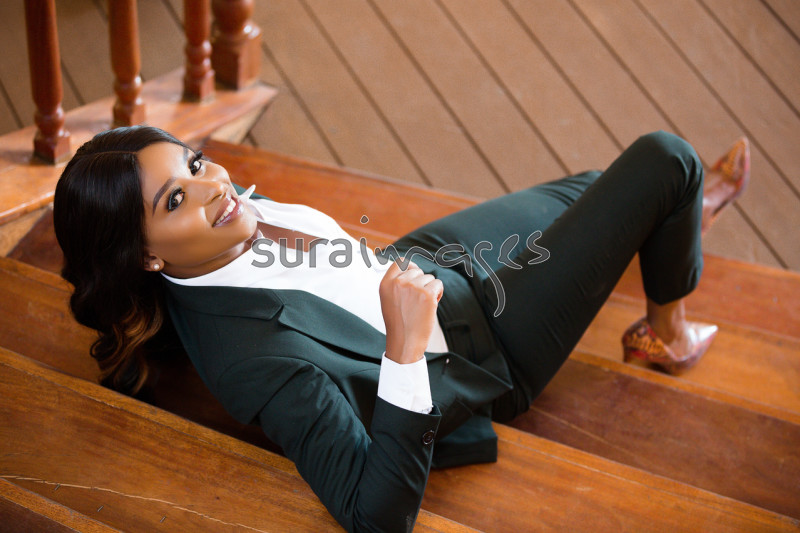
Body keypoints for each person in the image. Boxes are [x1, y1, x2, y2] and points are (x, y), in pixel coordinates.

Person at [53, 126, 748, 532]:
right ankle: (667, 328)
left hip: (425, 262)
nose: (214, 188)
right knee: (666, 160)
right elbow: (374, 516)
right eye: (177, 198)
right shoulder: (257, 363)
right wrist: (406, 348)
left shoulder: (210, 237)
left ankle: (672, 225)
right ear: (146, 257)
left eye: (195, 163)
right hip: (481, 346)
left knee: (604, 185)